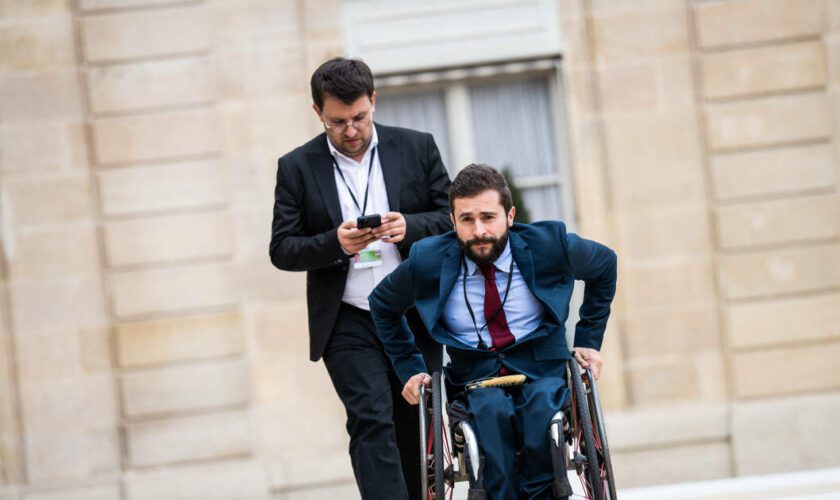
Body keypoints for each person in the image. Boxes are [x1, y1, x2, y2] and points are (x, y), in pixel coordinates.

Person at [369, 164, 617, 499]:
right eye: (467, 220)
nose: (479, 230)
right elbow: (382, 304)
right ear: (453, 221)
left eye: (488, 217)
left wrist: (588, 340)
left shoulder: (550, 244)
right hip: (474, 378)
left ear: (510, 215)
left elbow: (605, 265)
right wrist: (410, 369)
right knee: (489, 411)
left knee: (542, 407)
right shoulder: (428, 259)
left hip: (542, 368)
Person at [269, 57, 451, 500]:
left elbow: (452, 218)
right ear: (318, 113)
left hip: (411, 315)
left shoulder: (417, 147)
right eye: (337, 122)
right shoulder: (296, 167)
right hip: (348, 319)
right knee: (370, 418)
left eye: (359, 118)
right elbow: (282, 249)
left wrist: (411, 226)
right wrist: (335, 243)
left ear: (373, 100)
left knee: (416, 421)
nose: (351, 131)